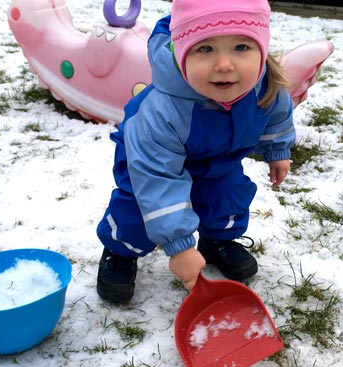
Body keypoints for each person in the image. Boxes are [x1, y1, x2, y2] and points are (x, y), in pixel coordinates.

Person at [95, 0, 296, 303]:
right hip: (150, 162)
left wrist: (278, 149)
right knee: (139, 208)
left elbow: (277, 110)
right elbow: (158, 179)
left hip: (218, 159)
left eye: (241, 47)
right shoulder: (163, 110)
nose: (225, 64)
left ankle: (216, 240)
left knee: (227, 196)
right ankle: (121, 250)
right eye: (205, 49)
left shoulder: (263, 83)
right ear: (181, 53)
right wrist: (179, 246)